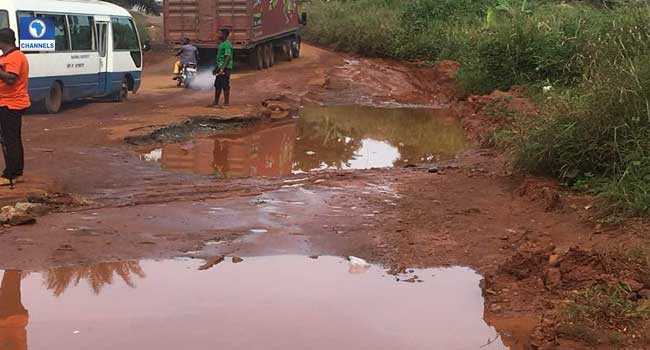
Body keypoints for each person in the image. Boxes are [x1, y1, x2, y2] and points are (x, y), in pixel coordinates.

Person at [0, 28, 29, 187]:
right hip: (6, 102)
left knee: (10, 140)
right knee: (11, 139)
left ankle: (11, 174)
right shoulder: (7, 57)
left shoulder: (15, 57)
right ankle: (15, 172)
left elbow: (11, 79)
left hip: (11, 104)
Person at [212, 29, 233, 108]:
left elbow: (227, 57)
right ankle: (216, 103)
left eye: (220, 34)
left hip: (225, 68)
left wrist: (222, 69)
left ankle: (226, 103)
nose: (218, 35)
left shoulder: (227, 44)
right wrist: (216, 68)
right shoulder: (221, 44)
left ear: (225, 35)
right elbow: (220, 58)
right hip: (220, 67)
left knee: (225, 85)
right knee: (218, 85)